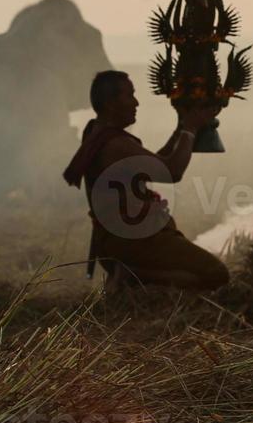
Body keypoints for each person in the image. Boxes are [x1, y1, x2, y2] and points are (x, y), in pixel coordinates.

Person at [63, 71, 229, 291]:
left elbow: (155, 163)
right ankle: (132, 276)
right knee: (216, 275)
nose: (136, 103)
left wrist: (182, 126)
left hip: (118, 240)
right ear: (111, 103)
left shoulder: (97, 132)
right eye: (129, 95)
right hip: (133, 241)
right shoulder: (116, 144)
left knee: (190, 278)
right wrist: (191, 128)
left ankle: (132, 276)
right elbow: (171, 171)